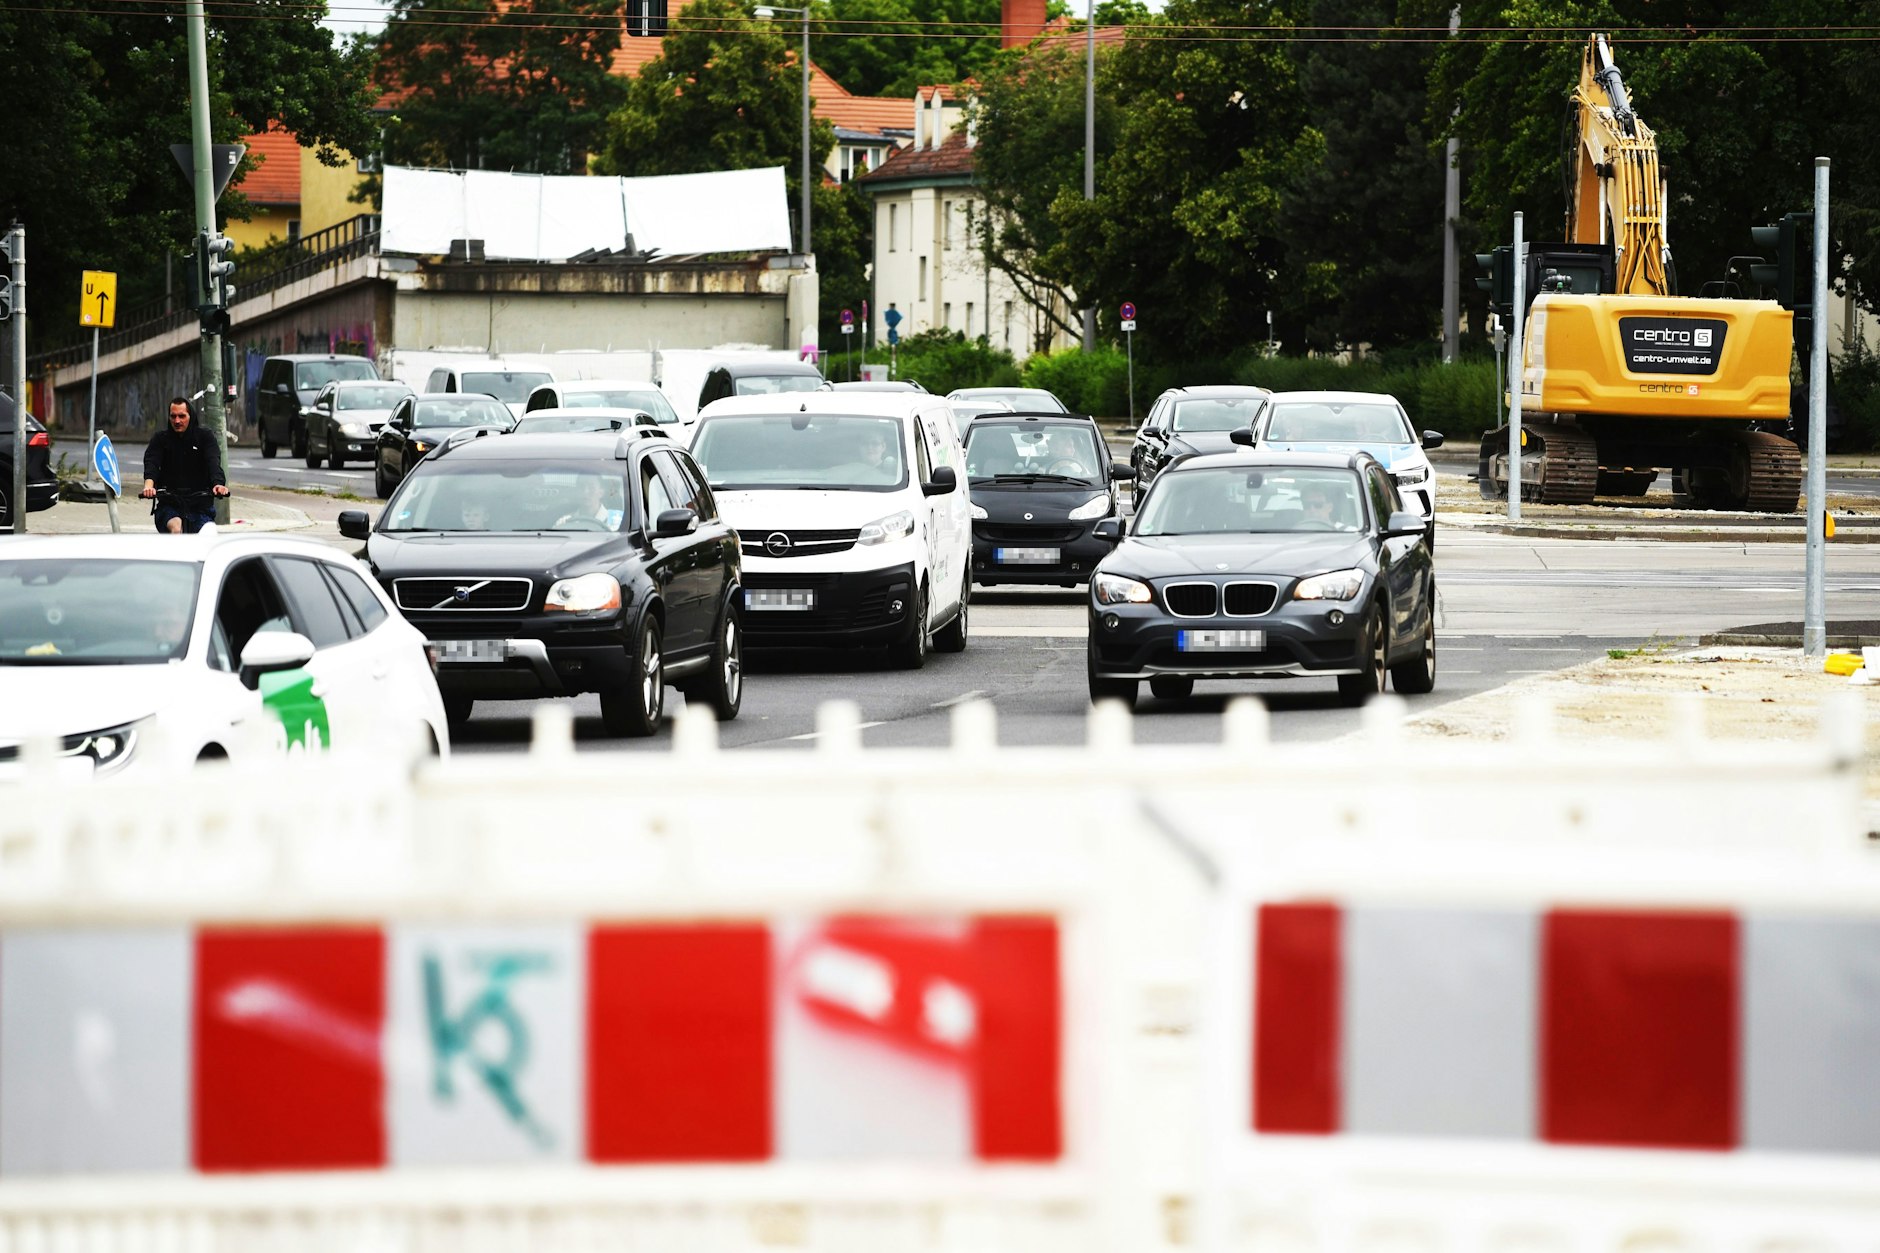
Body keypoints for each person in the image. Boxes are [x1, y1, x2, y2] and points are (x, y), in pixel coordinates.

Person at [140, 397, 228, 533]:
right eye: (173, 416)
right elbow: (152, 463)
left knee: (208, 533)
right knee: (176, 527)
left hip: (200, 507)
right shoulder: (160, 439)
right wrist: (149, 487)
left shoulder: (205, 437)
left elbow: (213, 463)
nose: (177, 421)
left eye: (182, 416)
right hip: (169, 505)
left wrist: (218, 484)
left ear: (190, 416)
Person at [554, 476, 620, 528]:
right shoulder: (564, 523)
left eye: (591, 487)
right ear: (576, 491)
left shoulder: (616, 522)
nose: (585, 492)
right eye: (581, 487)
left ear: (601, 493)